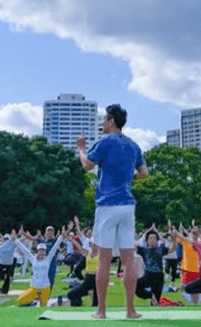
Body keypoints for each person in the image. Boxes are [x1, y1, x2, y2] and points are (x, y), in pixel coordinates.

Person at [77, 103, 148, 319]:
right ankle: (130, 310)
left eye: (104, 119)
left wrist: (81, 147)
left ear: (111, 121)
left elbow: (87, 165)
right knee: (128, 259)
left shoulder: (104, 142)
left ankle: (101, 311)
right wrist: (126, 178)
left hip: (107, 206)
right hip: (128, 206)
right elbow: (143, 173)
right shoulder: (134, 145)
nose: (102, 123)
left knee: (105, 260)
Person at [14, 228, 65, 307]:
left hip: (45, 287)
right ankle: (32, 303)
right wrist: (16, 240)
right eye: (40, 250)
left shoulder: (48, 258)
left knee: (43, 306)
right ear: (37, 251)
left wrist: (61, 236)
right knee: (20, 300)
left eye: (43, 250)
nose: (42, 252)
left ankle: (56, 304)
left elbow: (55, 247)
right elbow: (25, 250)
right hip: (34, 288)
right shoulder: (32, 258)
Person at [135, 224, 175, 305]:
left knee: (155, 303)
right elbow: (132, 246)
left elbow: (172, 249)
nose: (153, 239)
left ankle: (154, 307)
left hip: (158, 277)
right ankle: (150, 295)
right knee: (135, 287)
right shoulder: (143, 250)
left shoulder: (161, 249)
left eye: (154, 238)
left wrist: (175, 239)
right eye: (150, 238)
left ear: (157, 240)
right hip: (148, 276)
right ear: (147, 241)